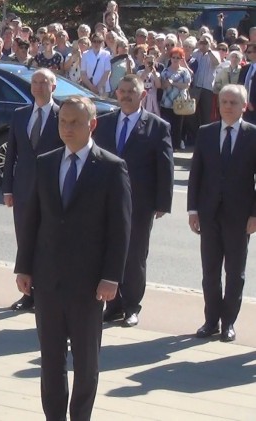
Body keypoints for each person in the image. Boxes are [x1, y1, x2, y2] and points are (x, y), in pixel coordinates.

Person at [15, 95, 131, 421]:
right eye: (63, 122)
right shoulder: (46, 162)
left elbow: (120, 229)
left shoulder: (111, 167)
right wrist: (24, 266)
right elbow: (32, 220)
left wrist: (111, 276)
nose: (67, 128)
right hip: (48, 279)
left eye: (75, 123)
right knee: (50, 360)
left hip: (89, 283)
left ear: (91, 124)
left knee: (85, 361)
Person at [94, 75, 174, 327]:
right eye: (122, 90)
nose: (126, 95)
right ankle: (113, 304)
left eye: (132, 91)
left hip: (139, 202)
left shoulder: (158, 126)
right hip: (105, 200)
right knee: (108, 251)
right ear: (116, 94)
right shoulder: (104, 123)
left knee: (135, 255)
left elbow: (165, 167)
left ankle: (131, 306)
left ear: (143, 95)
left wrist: (162, 203)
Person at [187, 84, 256, 343]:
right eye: (224, 102)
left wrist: (254, 214)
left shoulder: (252, 135)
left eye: (234, 103)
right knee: (210, 271)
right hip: (209, 213)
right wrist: (193, 210)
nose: (227, 106)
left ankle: (229, 322)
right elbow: (196, 175)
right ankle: (211, 320)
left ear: (244, 106)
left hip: (239, 216)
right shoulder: (206, 133)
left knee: (235, 272)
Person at [3, 68, 62, 312]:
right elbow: (11, 155)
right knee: (25, 240)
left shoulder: (63, 115)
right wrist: (7, 188)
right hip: (24, 189)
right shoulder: (20, 115)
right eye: (35, 82)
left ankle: (47, 293)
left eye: (44, 82)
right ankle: (28, 294)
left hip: (51, 190)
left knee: (48, 242)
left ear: (53, 87)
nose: (38, 86)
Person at [160, 47, 192, 150]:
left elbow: (187, 85)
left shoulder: (184, 72)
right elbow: (162, 86)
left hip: (180, 102)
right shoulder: (165, 71)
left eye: (178, 57)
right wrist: (167, 83)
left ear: (181, 59)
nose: (175, 59)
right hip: (167, 102)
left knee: (178, 126)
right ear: (170, 58)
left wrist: (173, 83)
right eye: (173, 57)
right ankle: (166, 145)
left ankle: (176, 146)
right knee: (167, 125)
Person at [81, 33, 111, 97]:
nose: (96, 44)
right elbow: (83, 73)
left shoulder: (106, 54)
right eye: (94, 41)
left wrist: (98, 87)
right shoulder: (85, 54)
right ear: (91, 42)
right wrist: (91, 87)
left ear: (102, 43)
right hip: (89, 88)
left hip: (103, 89)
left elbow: (107, 72)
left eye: (99, 41)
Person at [237, 43, 256, 123]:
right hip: (244, 107)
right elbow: (239, 86)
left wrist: (254, 104)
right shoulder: (245, 68)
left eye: (249, 52)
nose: (246, 54)